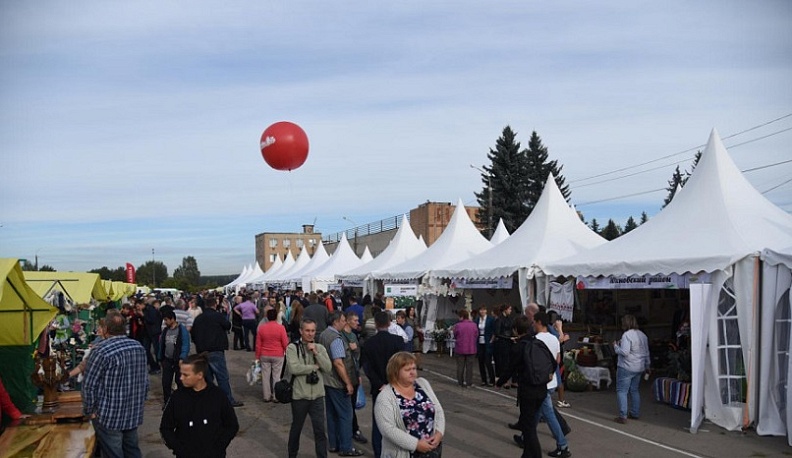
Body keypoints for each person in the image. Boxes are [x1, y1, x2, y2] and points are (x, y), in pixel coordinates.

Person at [83, 313, 149, 458]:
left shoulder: (101, 351)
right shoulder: (138, 347)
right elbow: (144, 380)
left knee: (114, 453)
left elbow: (89, 385)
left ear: (106, 329)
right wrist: (141, 400)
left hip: (109, 415)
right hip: (132, 411)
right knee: (132, 450)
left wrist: (90, 410)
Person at [160, 353, 239, 458]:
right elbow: (165, 427)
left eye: (186, 375)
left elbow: (232, 425)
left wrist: (219, 447)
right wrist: (179, 448)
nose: (181, 378)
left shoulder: (217, 396)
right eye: (181, 374)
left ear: (200, 375)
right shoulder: (177, 397)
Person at [374, 352, 445, 458]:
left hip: (431, 451)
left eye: (414, 368)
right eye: (407, 370)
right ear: (395, 372)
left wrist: (439, 433)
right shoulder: (385, 397)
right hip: (402, 453)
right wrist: (415, 444)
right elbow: (388, 429)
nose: (412, 372)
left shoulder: (423, 384)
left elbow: (438, 410)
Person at [495, 315, 547, 458]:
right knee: (530, 422)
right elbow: (552, 364)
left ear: (516, 330)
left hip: (528, 391)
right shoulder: (539, 343)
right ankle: (526, 455)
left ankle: (536, 455)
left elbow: (510, 368)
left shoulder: (519, 347)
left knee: (529, 427)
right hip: (542, 388)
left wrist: (499, 382)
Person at [317, 311, 364, 456]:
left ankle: (333, 444)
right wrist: (348, 383)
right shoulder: (336, 339)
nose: (345, 323)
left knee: (331, 414)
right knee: (346, 415)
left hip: (327, 380)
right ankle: (346, 447)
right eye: (343, 320)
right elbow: (338, 363)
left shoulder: (324, 334)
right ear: (336, 321)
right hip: (337, 382)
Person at [361, 311, 406, 458]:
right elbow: (402, 365)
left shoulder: (368, 344)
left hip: (378, 389)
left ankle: (379, 453)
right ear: (389, 323)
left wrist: (379, 384)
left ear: (376, 324)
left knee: (379, 423)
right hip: (396, 388)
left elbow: (367, 367)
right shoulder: (398, 341)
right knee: (397, 422)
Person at [286, 319, 333, 458]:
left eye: (313, 331)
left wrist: (316, 353)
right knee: (296, 428)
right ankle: (292, 454)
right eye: (307, 330)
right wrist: (313, 367)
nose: (310, 334)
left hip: (317, 395)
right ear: (301, 331)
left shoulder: (320, 348)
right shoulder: (292, 348)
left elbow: (328, 367)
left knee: (319, 430)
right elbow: (294, 368)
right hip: (300, 396)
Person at [191, 296, 243, 407]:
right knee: (222, 377)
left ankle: (209, 400)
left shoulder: (199, 318)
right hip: (216, 349)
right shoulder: (217, 316)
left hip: (202, 350)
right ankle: (227, 400)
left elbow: (193, 334)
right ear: (215, 304)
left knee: (207, 378)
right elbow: (228, 325)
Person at [532, 312, 571, 458]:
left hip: (541, 383)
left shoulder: (535, 340)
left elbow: (534, 364)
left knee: (548, 413)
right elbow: (557, 359)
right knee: (536, 412)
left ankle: (563, 445)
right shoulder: (555, 339)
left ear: (539, 322)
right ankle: (526, 436)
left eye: (534, 322)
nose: (533, 324)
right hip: (551, 380)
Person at [613, 314, 651, 424]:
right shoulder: (643, 335)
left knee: (622, 391)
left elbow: (625, 352)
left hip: (626, 366)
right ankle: (635, 412)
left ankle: (622, 416)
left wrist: (616, 346)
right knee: (634, 390)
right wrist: (648, 366)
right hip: (639, 367)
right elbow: (646, 352)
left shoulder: (626, 335)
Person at [342, 311, 367, 444]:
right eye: (355, 320)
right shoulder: (341, 335)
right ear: (347, 320)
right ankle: (352, 430)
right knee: (347, 406)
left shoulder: (353, 335)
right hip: (345, 375)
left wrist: (358, 374)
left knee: (351, 405)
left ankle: (353, 429)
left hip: (354, 374)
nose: (358, 323)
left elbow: (357, 355)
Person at [256, 308, 289, 402]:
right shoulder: (280, 328)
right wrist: (286, 351)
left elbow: (258, 344)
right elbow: (285, 342)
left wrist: (257, 356)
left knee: (265, 376)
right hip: (278, 354)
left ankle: (266, 396)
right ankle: (276, 395)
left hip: (264, 354)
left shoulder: (262, 328)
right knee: (276, 376)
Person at [158, 309, 190, 405]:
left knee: (180, 381)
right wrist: (160, 358)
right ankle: (167, 402)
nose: (165, 322)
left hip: (178, 360)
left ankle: (181, 401)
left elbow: (185, 344)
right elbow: (161, 344)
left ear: (172, 319)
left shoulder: (181, 330)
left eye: (166, 319)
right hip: (167, 360)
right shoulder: (165, 330)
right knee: (166, 382)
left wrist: (182, 357)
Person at [452, 309, 478, 388]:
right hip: (471, 348)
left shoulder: (458, 325)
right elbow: (476, 335)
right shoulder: (474, 325)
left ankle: (460, 382)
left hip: (460, 348)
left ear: (462, 317)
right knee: (469, 367)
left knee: (460, 366)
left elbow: (455, 335)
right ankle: (469, 383)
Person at [493, 304, 515, 388]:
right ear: (505, 310)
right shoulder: (499, 320)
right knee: (500, 361)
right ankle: (499, 378)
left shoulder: (509, 319)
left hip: (508, 342)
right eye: (509, 309)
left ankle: (504, 379)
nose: (510, 311)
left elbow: (511, 329)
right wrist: (509, 338)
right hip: (501, 343)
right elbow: (497, 333)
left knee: (506, 362)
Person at [474, 306, 496, 386]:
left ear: (486, 311)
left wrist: (491, 340)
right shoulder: (477, 320)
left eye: (484, 310)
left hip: (487, 341)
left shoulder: (490, 319)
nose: (482, 311)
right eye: (481, 310)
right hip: (480, 342)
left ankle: (492, 380)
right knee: (480, 361)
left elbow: (494, 331)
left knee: (488, 361)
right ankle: (483, 380)